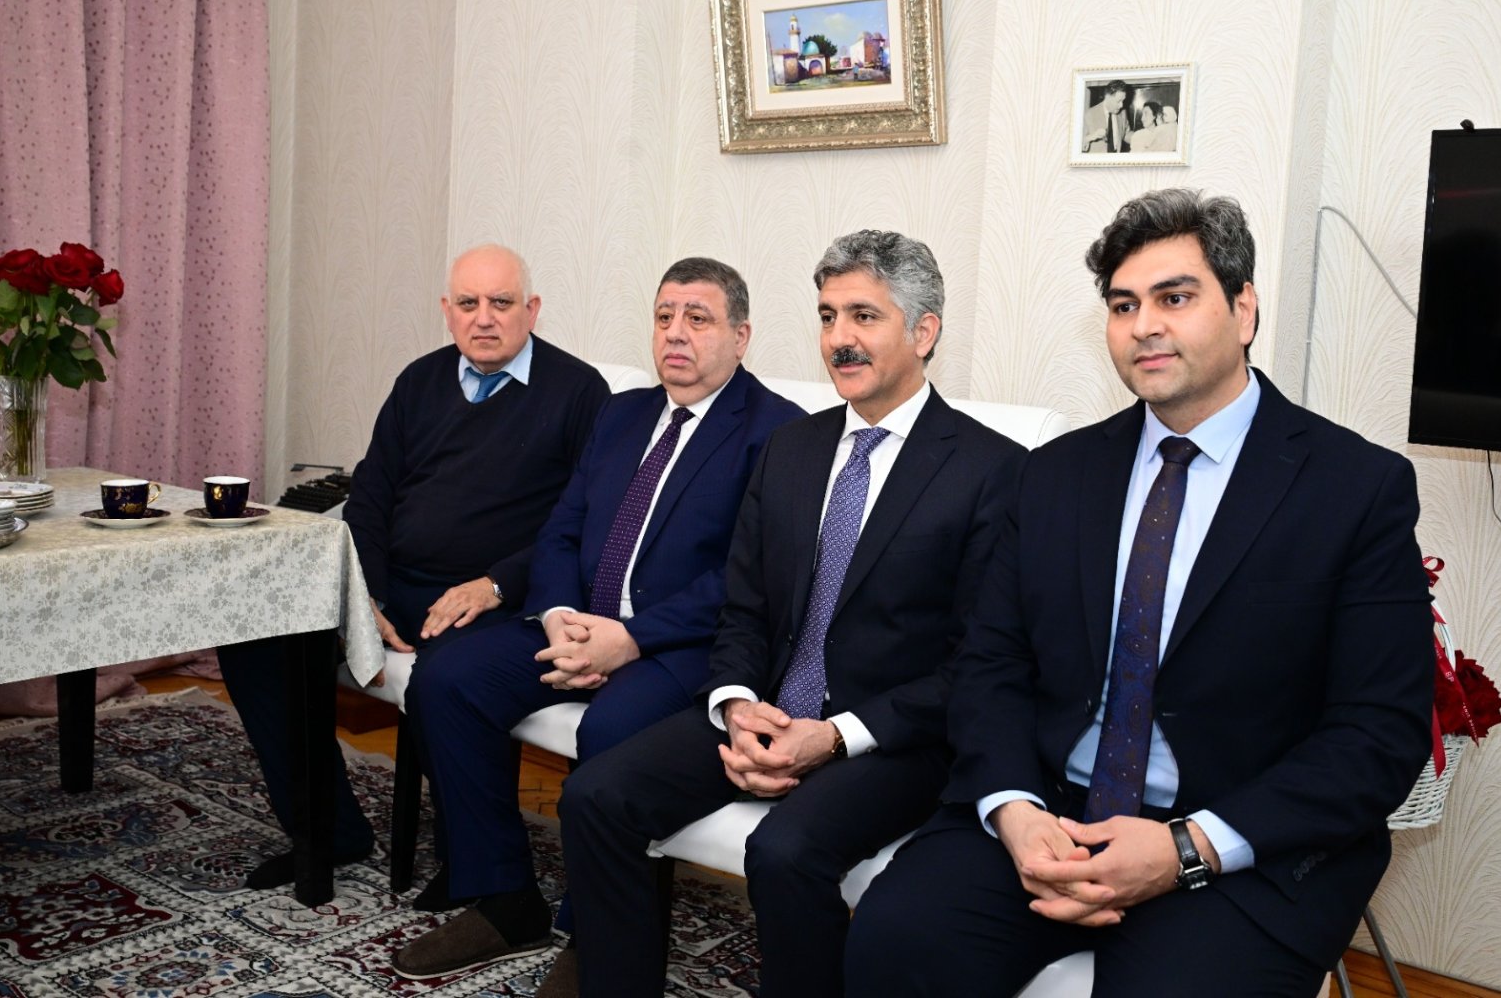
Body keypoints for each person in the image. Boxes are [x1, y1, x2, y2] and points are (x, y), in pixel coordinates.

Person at [845, 189, 1436, 997]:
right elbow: (991, 665)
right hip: (1050, 812)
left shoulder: (1354, 488)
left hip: (1241, 842)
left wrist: (1186, 847)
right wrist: (1016, 812)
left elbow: (1379, 732)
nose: (1144, 326)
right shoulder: (1053, 475)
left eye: (1175, 298)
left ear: (1244, 309)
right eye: (1124, 305)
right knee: (894, 940)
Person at [541, 230, 1026, 998]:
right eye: (828, 316)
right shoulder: (792, 447)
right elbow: (745, 606)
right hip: (765, 710)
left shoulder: (992, 469)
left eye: (864, 316)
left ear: (923, 331)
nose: (839, 339)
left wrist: (832, 737)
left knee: (785, 851)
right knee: (595, 797)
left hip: (891, 736)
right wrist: (736, 705)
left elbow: (977, 663)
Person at [387, 258, 804, 979]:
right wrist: (556, 614)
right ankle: (504, 897)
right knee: (446, 679)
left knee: (613, 729)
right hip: (577, 625)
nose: (676, 333)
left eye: (697, 319)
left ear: (741, 337)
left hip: (681, 645)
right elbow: (562, 529)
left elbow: (750, 576)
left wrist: (630, 639)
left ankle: (594, 934)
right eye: (664, 316)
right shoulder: (623, 413)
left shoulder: (777, 431)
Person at [218, 244, 609, 892]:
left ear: (532, 309)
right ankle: (329, 830)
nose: (484, 318)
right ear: (447, 311)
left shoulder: (579, 393)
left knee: (448, 679)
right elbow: (370, 497)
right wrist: (365, 593)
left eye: (501, 302)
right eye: (468, 303)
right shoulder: (418, 381)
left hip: (492, 598)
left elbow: (585, 521)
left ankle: (468, 857)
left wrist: (496, 584)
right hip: (395, 583)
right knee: (256, 637)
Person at [1083, 80, 1132, 153]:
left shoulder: (1122, 113)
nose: (1121, 105)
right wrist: (1092, 136)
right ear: (1107, 97)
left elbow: (1125, 134)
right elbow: (1078, 144)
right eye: (1118, 101)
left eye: (1123, 101)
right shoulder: (1090, 114)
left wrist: (1143, 137)